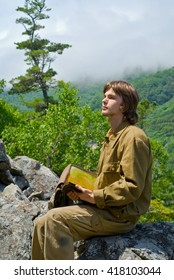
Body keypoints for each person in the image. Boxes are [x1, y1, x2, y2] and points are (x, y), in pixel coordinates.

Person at [31, 80, 152, 260]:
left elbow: (132, 187)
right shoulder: (111, 136)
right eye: (104, 96)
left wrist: (93, 196)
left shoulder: (133, 137)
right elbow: (106, 179)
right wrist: (81, 191)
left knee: (54, 220)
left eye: (111, 97)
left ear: (124, 105)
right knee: (41, 223)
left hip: (119, 216)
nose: (104, 100)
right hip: (105, 208)